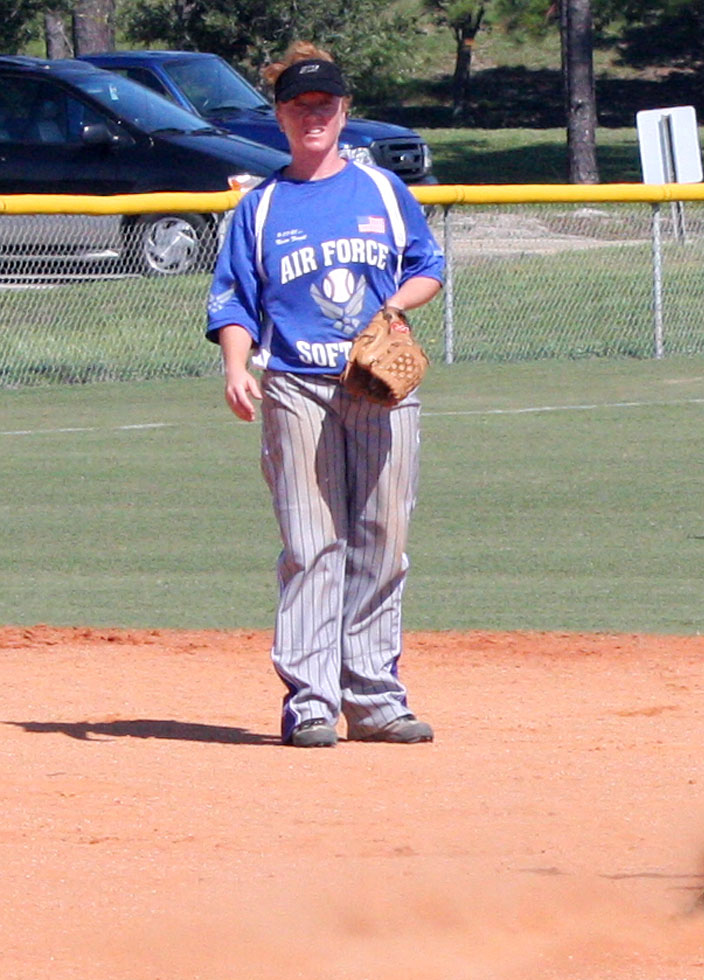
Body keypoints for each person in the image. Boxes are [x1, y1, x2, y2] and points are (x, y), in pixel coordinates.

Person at [205, 43, 445, 748]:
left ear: (344, 112)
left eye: (325, 104)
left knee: (384, 538)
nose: (313, 116)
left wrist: (394, 310)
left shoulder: (381, 192)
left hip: (377, 384)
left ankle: (373, 697)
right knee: (312, 543)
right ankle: (312, 700)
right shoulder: (261, 207)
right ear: (280, 116)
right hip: (296, 386)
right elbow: (235, 301)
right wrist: (235, 367)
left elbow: (428, 265)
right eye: (298, 105)